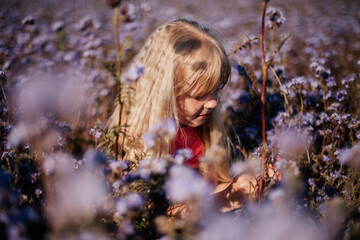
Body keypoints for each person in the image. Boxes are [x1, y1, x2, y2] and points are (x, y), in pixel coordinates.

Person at [107, 18, 256, 213]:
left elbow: (207, 191)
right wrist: (233, 195)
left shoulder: (200, 133)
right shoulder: (144, 147)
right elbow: (162, 216)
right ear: (165, 93)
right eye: (200, 96)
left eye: (215, 91)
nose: (213, 103)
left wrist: (247, 185)